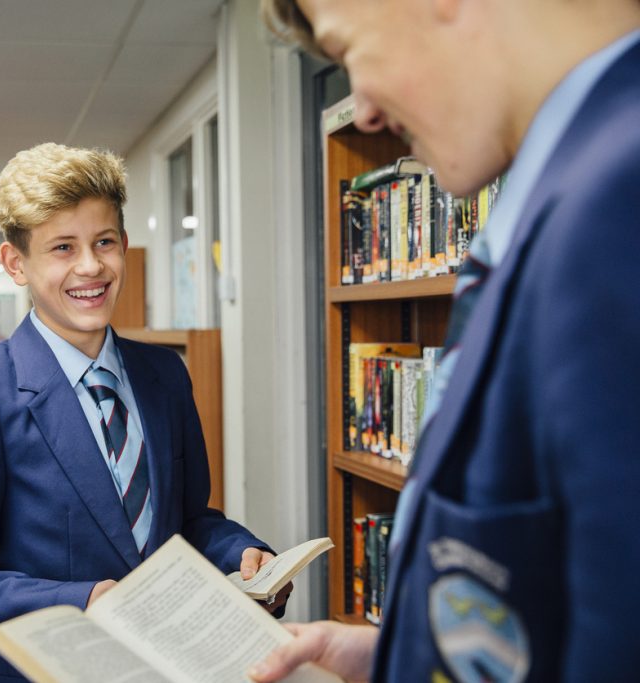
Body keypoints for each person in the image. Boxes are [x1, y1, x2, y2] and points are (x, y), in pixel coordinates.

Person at [250, 1, 640, 682]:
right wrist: (398, 653)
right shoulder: (558, 202)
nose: (363, 110)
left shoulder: (617, 202)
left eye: (350, 52)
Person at [0, 142, 287, 683]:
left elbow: (186, 521)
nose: (91, 266)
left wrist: (241, 552)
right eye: (62, 247)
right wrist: (83, 599)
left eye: (103, 241)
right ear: (16, 263)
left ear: (124, 245)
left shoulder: (164, 374)